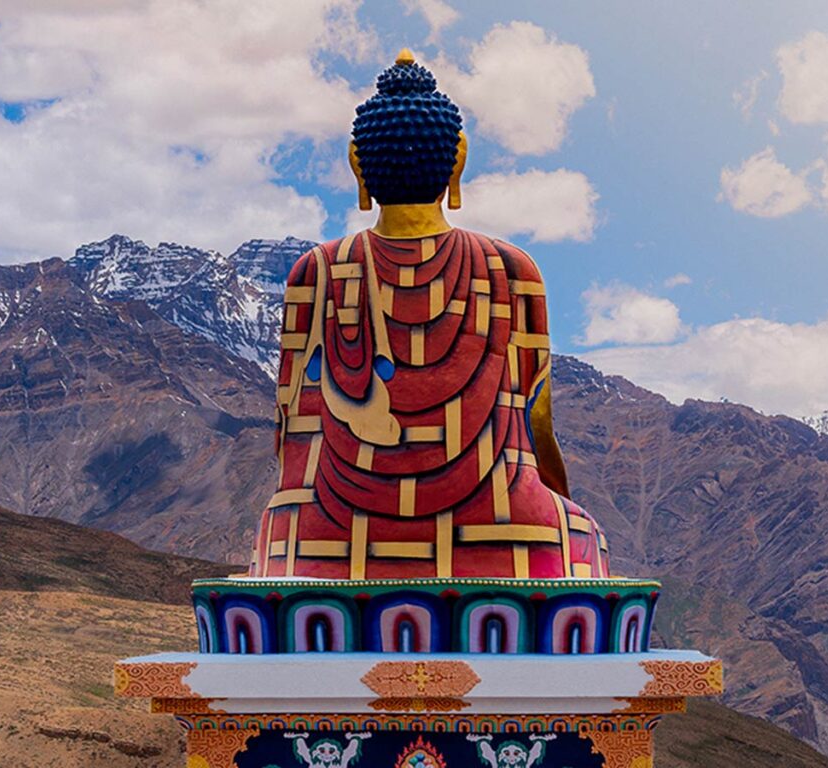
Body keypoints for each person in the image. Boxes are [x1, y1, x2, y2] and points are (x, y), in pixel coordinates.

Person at [249, 50, 610, 581]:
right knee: (578, 542)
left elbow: (289, 429)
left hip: (328, 528)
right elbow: (536, 424)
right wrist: (552, 502)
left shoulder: (316, 272)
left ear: (358, 163)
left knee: (281, 544)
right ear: (457, 160)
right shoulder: (512, 270)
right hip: (497, 518)